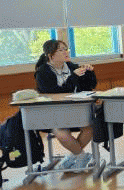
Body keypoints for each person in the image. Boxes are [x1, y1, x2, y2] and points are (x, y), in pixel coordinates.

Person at [34, 39, 96, 170]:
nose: (65, 52)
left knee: (90, 128)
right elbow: (54, 93)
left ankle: (74, 156)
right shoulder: (43, 72)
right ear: (51, 55)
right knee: (61, 133)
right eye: (61, 50)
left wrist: (89, 72)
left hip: (76, 109)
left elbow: (89, 86)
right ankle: (81, 155)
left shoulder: (72, 66)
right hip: (54, 112)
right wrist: (73, 77)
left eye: (66, 49)